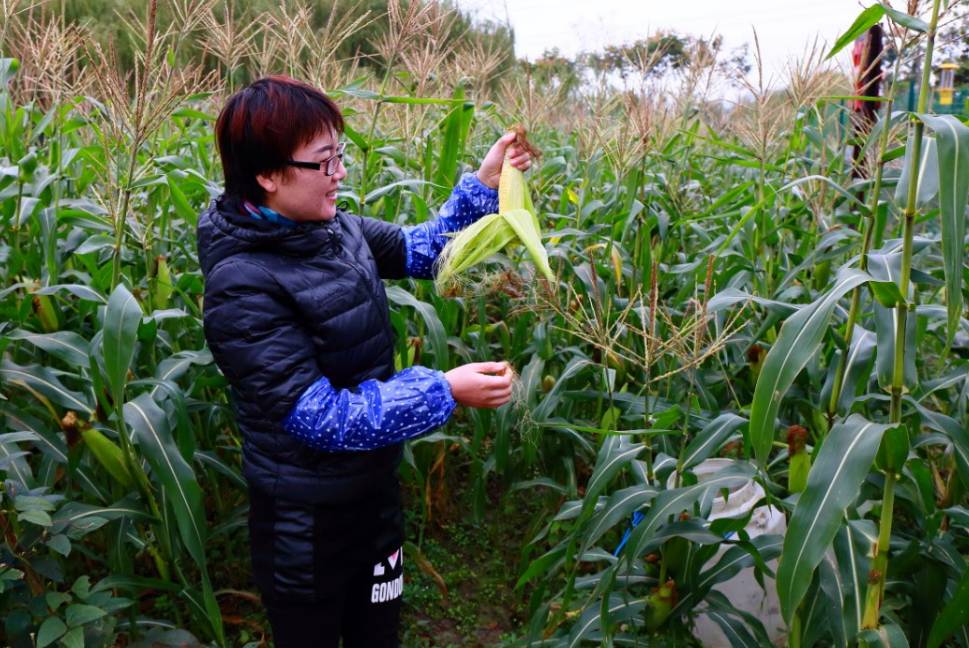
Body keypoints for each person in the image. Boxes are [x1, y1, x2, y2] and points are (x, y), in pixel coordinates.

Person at [196, 75, 531, 647]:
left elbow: (428, 250)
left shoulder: (337, 230)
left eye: (340, 155)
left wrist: (484, 183)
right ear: (268, 175)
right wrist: (443, 391)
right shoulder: (241, 287)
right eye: (324, 162)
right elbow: (321, 419)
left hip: (373, 500)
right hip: (305, 525)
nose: (341, 173)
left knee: (379, 635)